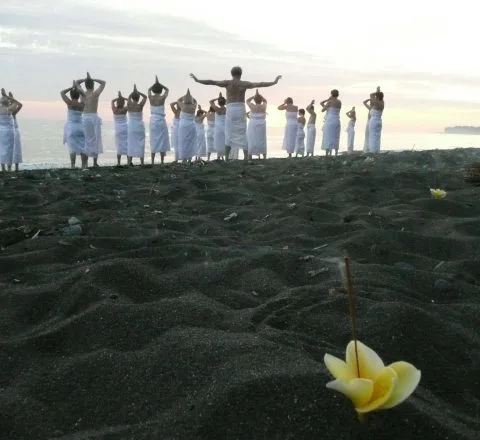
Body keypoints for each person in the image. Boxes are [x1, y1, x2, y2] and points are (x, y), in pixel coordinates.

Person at [190, 66, 281, 160]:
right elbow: (260, 84)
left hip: (231, 109)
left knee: (229, 134)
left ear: (232, 74)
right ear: (240, 74)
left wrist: (198, 80)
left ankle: (226, 158)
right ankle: (246, 157)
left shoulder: (228, 83)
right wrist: (274, 82)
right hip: (240, 108)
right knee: (242, 133)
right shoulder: (244, 84)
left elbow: (212, 82)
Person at [75, 72, 106, 167]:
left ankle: (85, 163)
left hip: (84, 117)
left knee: (86, 139)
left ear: (85, 85)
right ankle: (95, 162)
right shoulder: (95, 94)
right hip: (93, 117)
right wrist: (92, 79)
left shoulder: (82, 93)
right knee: (95, 139)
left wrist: (86, 79)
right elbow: (103, 83)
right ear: (92, 85)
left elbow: (77, 82)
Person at [61, 81, 86, 168]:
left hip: (72, 127)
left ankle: (73, 165)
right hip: (80, 127)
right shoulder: (82, 104)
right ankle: (84, 165)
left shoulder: (70, 103)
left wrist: (71, 88)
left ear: (71, 95)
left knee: (72, 148)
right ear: (78, 95)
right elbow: (84, 95)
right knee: (83, 146)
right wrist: (79, 89)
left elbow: (62, 93)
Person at [148, 75, 170, 164]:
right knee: (162, 140)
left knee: (153, 140)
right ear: (160, 90)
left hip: (153, 120)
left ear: (153, 90)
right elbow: (167, 90)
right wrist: (160, 84)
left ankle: (152, 161)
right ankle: (161, 161)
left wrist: (154, 84)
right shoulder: (162, 98)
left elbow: (148, 90)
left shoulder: (151, 97)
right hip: (161, 120)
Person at [126, 84, 147, 165]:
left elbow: (128, 98)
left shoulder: (129, 105)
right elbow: (145, 97)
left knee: (131, 143)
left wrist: (133, 92)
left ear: (132, 98)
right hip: (139, 126)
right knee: (141, 143)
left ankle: (129, 162)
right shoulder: (140, 106)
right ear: (138, 99)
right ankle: (142, 162)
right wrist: (138, 92)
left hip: (131, 126)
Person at [176, 89, 197, 162]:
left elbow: (178, 100)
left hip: (183, 126)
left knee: (183, 142)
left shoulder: (183, 105)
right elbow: (195, 101)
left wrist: (183, 97)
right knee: (190, 142)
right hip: (191, 125)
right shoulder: (194, 106)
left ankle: (184, 158)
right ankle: (189, 159)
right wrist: (192, 97)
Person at [246, 89, 267, 159]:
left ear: (254, 100)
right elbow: (265, 101)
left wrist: (254, 96)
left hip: (253, 124)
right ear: (261, 100)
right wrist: (259, 96)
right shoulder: (263, 106)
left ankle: (250, 156)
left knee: (251, 139)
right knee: (262, 139)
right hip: (261, 124)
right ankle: (264, 156)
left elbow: (247, 101)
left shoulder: (252, 106)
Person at [0, 89, 18, 172]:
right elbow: (17, 103)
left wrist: (4, 96)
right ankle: (9, 168)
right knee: (9, 149)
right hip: (9, 132)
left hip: (1, 131)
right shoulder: (9, 109)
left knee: (1, 149)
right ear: (8, 102)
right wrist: (9, 96)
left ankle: (3, 168)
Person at [320, 89, 341, 156]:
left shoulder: (330, 102)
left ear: (331, 94)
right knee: (335, 136)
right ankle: (336, 152)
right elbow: (331, 109)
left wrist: (327, 100)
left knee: (328, 135)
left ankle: (327, 152)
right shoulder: (339, 102)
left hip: (330, 120)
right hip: (336, 119)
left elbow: (322, 110)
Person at [363, 87, 384, 153]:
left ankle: (373, 151)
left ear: (377, 97)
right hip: (379, 121)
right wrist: (378, 92)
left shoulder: (377, 102)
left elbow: (371, 94)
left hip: (374, 121)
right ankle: (376, 150)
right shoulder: (382, 102)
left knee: (372, 136)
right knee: (377, 137)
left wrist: (377, 91)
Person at [111, 91, 128, 165]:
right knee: (127, 144)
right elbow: (130, 102)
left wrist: (118, 98)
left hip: (118, 130)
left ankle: (118, 163)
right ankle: (128, 161)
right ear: (123, 103)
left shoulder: (114, 110)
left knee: (119, 146)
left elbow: (112, 101)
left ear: (117, 103)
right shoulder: (124, 109)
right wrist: (122, 97)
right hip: (125, 128)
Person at [8, 91, 23, 171]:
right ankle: (8, 168)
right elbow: (19, 105)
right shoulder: (7, 111)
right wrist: (11, 98)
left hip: (15, 130)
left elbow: (20, 105)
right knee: (7, 149)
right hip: (9, 130)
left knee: (16, 150)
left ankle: (15, 168)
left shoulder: (12, 112)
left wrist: (11, 98)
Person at [209, 93, 226, 160]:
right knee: (224, 142)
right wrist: (222, 98)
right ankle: (225, 157)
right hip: (225, 128)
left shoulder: (217, 109)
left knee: (219, 142)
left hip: (218, 128)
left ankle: (218, 157)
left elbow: (210, 101)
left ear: (218, 103)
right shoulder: (226, 109)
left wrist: (218, 98)